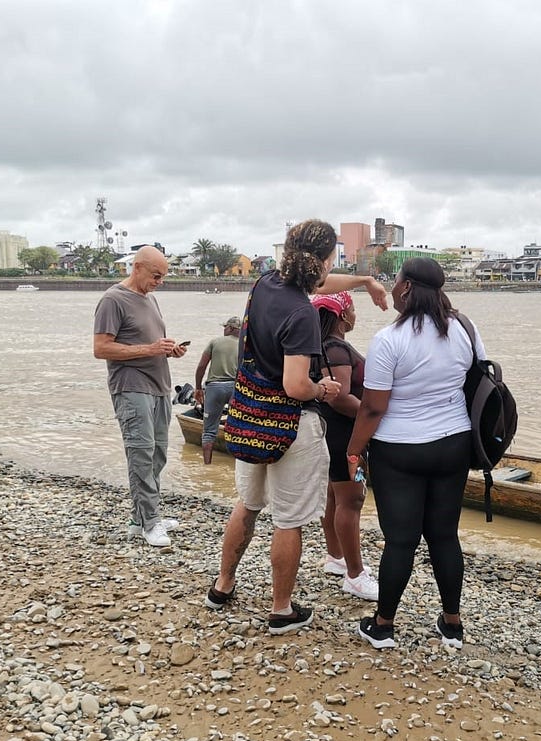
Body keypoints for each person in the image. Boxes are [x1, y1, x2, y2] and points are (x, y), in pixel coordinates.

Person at [204, 219, 388, 635]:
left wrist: (363, 280)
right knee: (288, 520)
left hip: (247, 418)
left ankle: (223, 585)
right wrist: (323, 389)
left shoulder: (265, 284)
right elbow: (295, 385)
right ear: (323, 260)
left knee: (247, 504)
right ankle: (281, 609)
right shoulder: (302, 314)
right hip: (288, 426)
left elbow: (320, 285)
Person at [347, 257, 482, 650]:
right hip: (454, 443)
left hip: (399, 450)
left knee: (401, 540)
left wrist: (354, 450)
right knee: (444, 536)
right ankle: (452, 625)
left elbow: (373, 407)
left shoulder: (390, 339)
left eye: (395, 281)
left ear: (405, 289)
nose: (391, 288)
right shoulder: (464, 329)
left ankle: (384, 625)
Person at [93, 246, 188, 547]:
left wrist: (169, 350)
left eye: (163, 277)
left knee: (157, 454)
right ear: (137, 268)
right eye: (156, 275)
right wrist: (149, 349)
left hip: (159, 386)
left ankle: (143, 517)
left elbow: (149, 342)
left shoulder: (152, 299)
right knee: (141, 454)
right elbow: (101, 348)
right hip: (131, 386)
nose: (160, 281)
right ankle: (150, 522)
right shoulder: (112, 300)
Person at [309, 291, 378, 601]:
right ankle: (355, 574)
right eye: (353, 308)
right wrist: (376, 416)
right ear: (341, 315)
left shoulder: (319, 347)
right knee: (352, 500)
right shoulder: (335, 349)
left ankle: (336, 557)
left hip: (330, 436)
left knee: (334, 497)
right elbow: (339, 397)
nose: (356, 314)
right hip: (346, 438)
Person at [194, 316, 240, 465]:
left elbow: (202, 366)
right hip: (235, 388)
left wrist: (198, 387)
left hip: (215, 388)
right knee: (237, 428)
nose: (224, 329)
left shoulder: (215, 342)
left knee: (208, 431)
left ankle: (207, 466)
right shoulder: (244, 345)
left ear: (231, 328)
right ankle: (237, 466)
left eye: (225, 327)